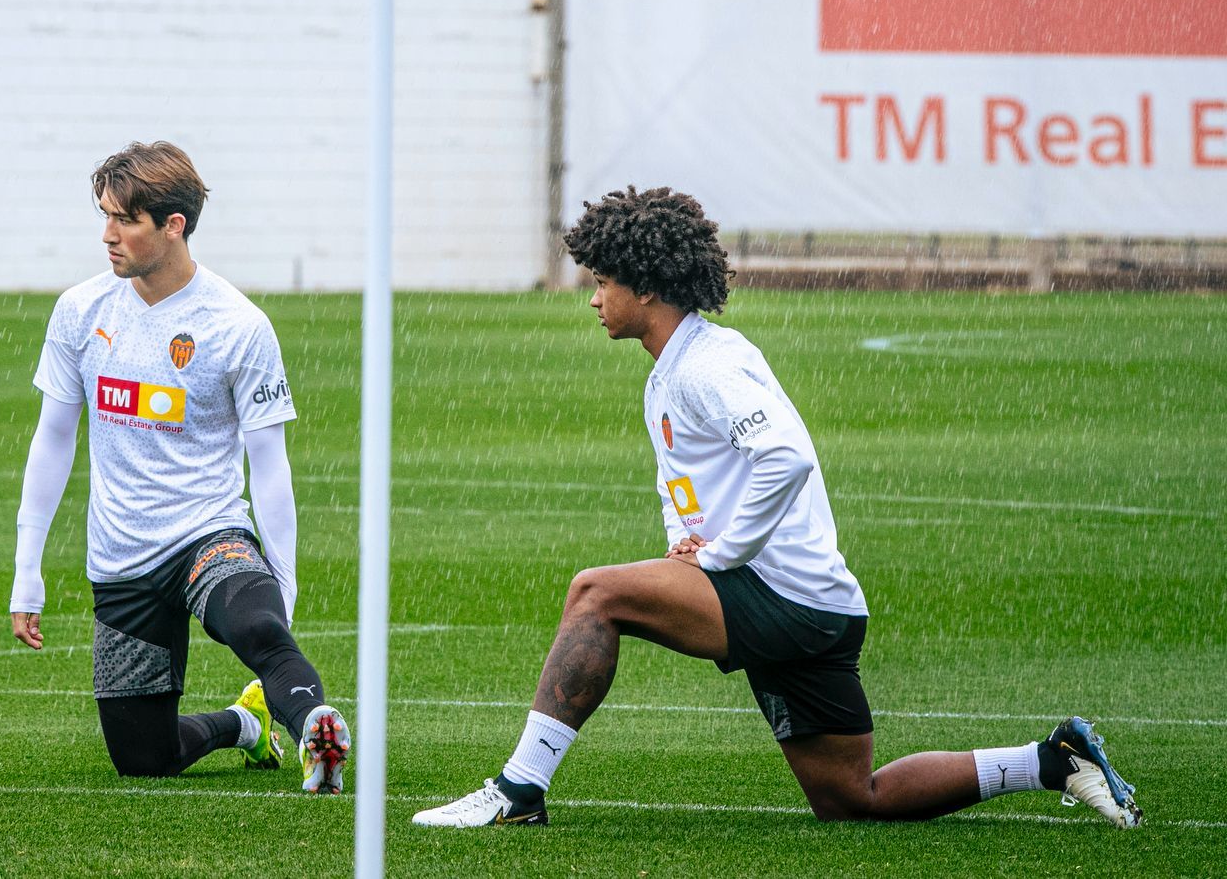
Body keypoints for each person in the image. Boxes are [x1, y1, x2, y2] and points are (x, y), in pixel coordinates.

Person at [413, 186, 1142, 830]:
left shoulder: (707, 365)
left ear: (648, 288)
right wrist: (687, 542)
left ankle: (519, 790)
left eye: (603, 281)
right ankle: (1051, 761)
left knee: (595, 594)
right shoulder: (673, 371)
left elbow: (786, 457)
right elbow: (692, 482)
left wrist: (721, 556)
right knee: (854, 798)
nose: (594, 297)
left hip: (781, 595)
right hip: (817, 605)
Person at [8, 141, 350, 791]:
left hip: (207, 537)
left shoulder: (238, 326)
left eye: (126, 220)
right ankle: (243, 726)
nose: (108, 235)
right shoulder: (80, 312)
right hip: (121, 560)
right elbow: (52, 441)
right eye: (104, 215)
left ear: (174, 225)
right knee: (143, 759)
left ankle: (316, 731)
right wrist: (28, 571)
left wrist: (284, 578)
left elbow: (269, 463)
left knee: (257, 628)